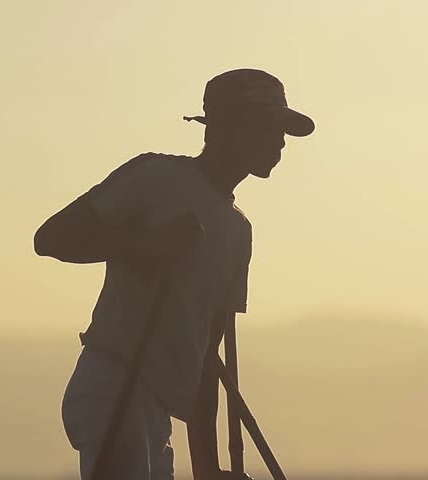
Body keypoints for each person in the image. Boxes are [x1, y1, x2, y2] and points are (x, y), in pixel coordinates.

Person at [33, 68, 314, 480]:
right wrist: (144, 244)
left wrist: (207, 468)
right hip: (115, 386)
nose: (280, 142)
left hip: (157, 410)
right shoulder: (156, 176)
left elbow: (206, 359)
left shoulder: (238, 231)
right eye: (269, 127)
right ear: (225, 127)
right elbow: (51, 239)